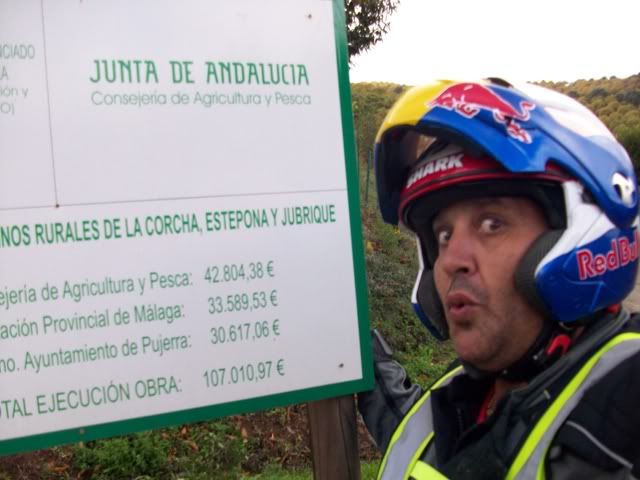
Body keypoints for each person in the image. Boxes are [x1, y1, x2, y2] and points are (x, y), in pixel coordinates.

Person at [359, 78, 640, 479]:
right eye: (443, 234)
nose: (452, 258)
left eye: (492, 224)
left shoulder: (624, 407)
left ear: (579, 233)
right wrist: (361, 358)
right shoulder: (467, 399)